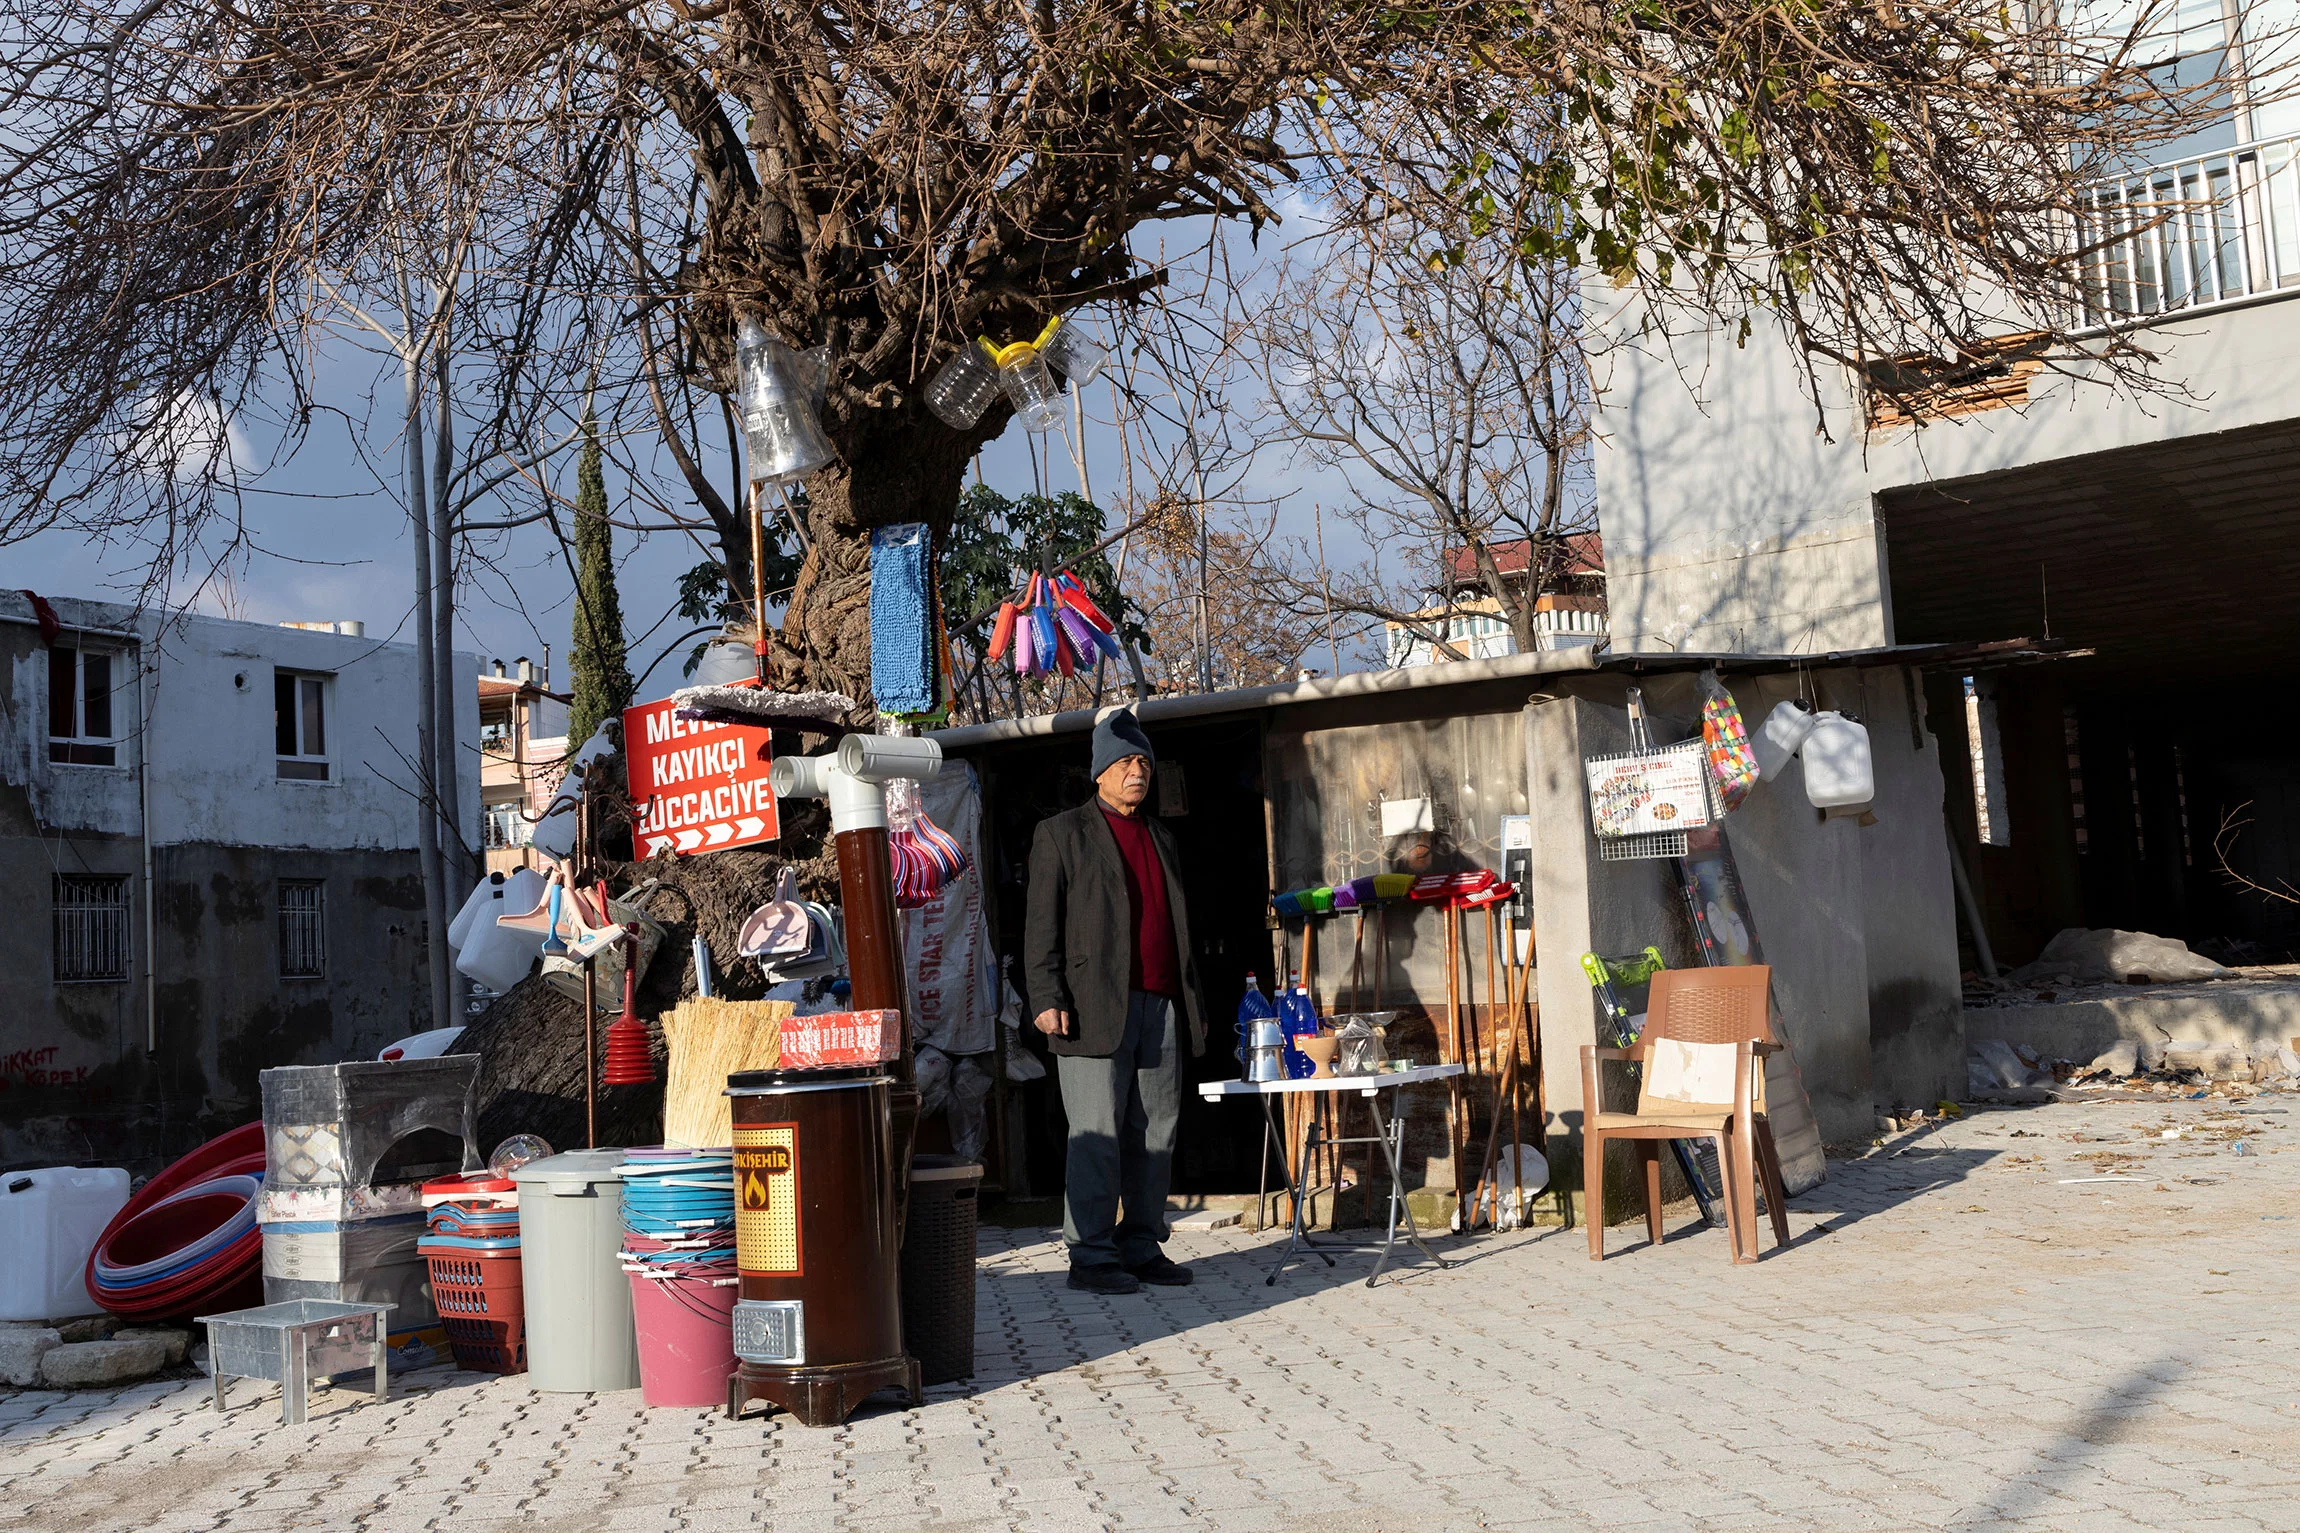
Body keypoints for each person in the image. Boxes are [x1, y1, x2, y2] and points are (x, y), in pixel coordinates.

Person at [1024, 707, 1207, 1294]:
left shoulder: (1163, 837)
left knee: (1156, 1131)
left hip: (1161, 1004)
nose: (1138, 771)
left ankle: (1142, 1243)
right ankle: (1091, 1254)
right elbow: (1039, 927)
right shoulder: (1061, 834)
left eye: (1144, 762)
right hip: (1090, 1007)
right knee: (1096, 1133)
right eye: (1127, 761)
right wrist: (1046, 995)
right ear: (1100, 771)